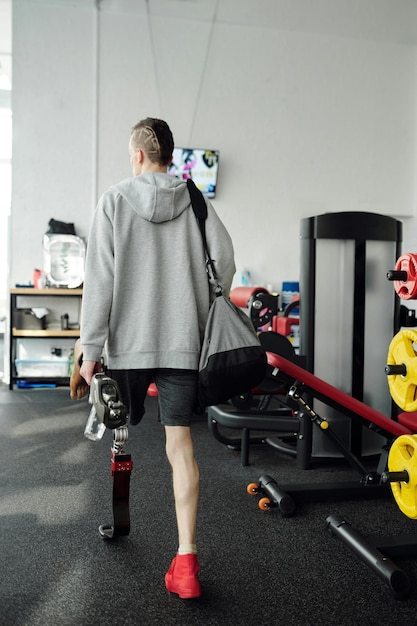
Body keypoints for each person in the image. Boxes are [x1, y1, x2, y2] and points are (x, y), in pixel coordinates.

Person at [76, 117, 235, 599]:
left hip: (128, 345)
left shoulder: (115, 199)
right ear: (170, 157)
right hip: (183, 343)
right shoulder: (197, 201)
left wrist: (91, 348)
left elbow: (100, 281)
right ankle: (186, 560)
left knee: (119, 425)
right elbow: (224, 263)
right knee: (179, 446)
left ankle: (120, 512)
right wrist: (201, 306)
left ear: (139, 156)